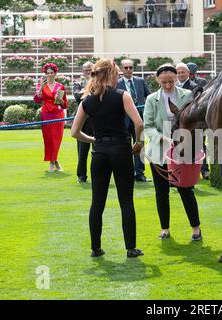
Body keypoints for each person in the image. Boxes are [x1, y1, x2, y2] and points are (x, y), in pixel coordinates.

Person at [71, 58, 144, 258]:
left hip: (100, 152)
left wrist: (94, 139)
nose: (119, 76)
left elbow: (74, 132)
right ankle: (131, 248)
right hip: (121, 149)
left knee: (97, 202)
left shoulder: (87, 101)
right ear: (110, 74)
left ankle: (96, 248)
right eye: (117, 73)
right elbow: (139, 123)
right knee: (126, 200)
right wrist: (138, 143)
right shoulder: (122, 95)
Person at [143, 64, 202, 241]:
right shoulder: (152, 99)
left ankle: (196, 229)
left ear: (177, 77)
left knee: (186, 190)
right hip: (160, 151)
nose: (168, 85)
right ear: (157, 80)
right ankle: (165, 229)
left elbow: (194, 122)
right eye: (163, 82)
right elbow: (148, 126)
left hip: (184, 151)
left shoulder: (187, 96)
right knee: (161, 192)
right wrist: (166, 140)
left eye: (171, 81)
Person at [117, 59, 152, 182]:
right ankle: (126, 173)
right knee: (124, 146)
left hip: (139, 118)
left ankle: (140, 173)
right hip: (123, 119)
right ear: (121, 69)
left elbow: (149, 96)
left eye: (130, 67)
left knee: (140, 145)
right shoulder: (117, 83)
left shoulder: (140, 81)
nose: (128, 70)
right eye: (126, 68)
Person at [34, 63, 68, 172]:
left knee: (57, 139)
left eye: (51, 73)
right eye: (47, 73)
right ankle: (54, 162)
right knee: (49, 139)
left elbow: (65, 104)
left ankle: (53, 162)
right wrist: (40, 89)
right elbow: (37, 99)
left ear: (55, 74)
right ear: (45, 74)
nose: (49, 75)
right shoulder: (41, 85)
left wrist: (59, 98)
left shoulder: (60, 86)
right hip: (46, 114)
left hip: (58, 114)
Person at [185, 62, 210, 180]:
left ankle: (204, 170)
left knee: (200, 144)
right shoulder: (181, 84)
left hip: (198, 119)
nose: (190, 75)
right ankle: (187, 169)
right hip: (185, 119)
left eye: (192, 73)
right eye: (189, 73)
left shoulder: (202, 82)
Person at [73, 61, 94, 183]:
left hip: (96, 120)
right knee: (82, 150)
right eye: (86, 69)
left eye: (90, 69)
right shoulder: (78, 83)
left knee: (97, 150)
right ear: (82, 71)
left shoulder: (98, 82)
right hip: (82, 122)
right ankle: (81, 175)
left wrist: (85, 93)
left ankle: (97, 173)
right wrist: (89, 90)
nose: (88, 71)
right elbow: (77, 96)